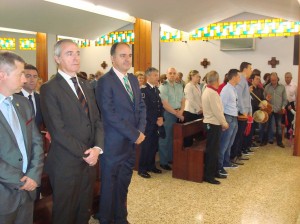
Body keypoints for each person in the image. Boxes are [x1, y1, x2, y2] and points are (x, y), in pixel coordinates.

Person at [40, 39, 104, 224]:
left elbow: (98, 120)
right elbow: (58, 130)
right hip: (66, 164)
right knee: (65, 213)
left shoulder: (86, 85)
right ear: (57, 58)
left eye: (77, 53)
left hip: (89, 162)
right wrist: (87, 153)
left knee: (84, 210)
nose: (76, 57)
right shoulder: (49, 89)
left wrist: (98, 148)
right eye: (69, 53)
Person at [95, 42, 146, 224]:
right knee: (109, 186)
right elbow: (109, 114)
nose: (127, 59)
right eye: (122, 55)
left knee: (123, 184)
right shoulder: (105, 82)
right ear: (112, 58)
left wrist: (140, 131)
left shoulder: (132, 79)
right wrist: (135, 134)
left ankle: (120, 218)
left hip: (130, 144)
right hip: (113, 144)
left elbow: (140, 106)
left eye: (129, 55)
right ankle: (106, 219)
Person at [0, 51, 44, 223]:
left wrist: (33, 175)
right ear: (2, 75)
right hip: (4, 192)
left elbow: (36, 141)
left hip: (28, 189)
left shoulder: (23, 103)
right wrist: (21, 180)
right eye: (21, 75)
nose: (25, 80)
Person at [202, 70, 228, 185]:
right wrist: (224, 123)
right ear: (216, 80)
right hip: (212, 123)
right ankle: (209, 176)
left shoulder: (211, 91)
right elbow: (217, 111)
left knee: (215, 149)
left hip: (214, 123)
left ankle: (214, 171)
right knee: (212, 151)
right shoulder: (211, 92)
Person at [138, 67, 164, 178]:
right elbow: (145, 110)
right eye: (155, 75)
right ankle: (142, 169)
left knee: (154, 145)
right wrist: (155, 120)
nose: (157, 77)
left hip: (156, 123)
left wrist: (161, 117)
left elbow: (160, 106)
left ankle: (151, 166)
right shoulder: (144, 90)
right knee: (146, 146)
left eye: (157, 75)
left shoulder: (155, 89)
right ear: (148, 77)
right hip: (148, 124)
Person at [159, 67, 185, 170]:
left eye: (174, 73)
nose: (172, 75)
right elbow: (165, 104)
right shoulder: (163, 87)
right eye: (170, 73)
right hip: (168, 114)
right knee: (165, 138)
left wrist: (181, 111)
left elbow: (183, 100)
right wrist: (177, 113)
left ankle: (170, 158)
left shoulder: (179, 86)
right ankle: (163, 161)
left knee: (173, 138)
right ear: (167, 74)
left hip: (178, 112)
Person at [218, 69, 240, 176]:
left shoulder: (233, 89)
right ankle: (219, 166)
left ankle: (226, 162)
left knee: (230, 143)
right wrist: (223, 122)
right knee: (224, 143)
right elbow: (221, 106)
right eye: (238, 76)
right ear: (234, 77)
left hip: (234, 118)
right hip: (228, 118)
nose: (239, 78)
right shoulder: (226, 90)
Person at [230, 62, 252, 164]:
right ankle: (234, 156)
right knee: (238, 136)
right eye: (250, 68)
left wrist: (249, 111)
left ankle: (238, 154)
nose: (251, 70)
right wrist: (243, 111)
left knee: (241, 135)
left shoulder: (244, 80)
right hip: (241, 112)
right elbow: (238, 96)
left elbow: (246, 97)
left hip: (245, 112)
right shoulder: (241, 79)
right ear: (245, 69)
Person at [262, 72, 287, 148]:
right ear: (270, 79)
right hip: (269, 109)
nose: (273, 81)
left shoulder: (282, 87)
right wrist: (266, 99)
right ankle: (264, 141)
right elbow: (263, 99)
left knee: (278, 126)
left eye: (275, 80)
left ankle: (279, 142)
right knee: (266, 125)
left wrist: (283, 107)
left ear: (277, 78)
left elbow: (285, 99)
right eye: (272, 80)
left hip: (278, 109)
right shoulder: (267, 87)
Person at [17, 64, 43, 129]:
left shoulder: (40, 98)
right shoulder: (14, 97)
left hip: (37, 138)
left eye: (35, 76)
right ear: (22, 77)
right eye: (28, 76)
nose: (32, 80)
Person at [183, 70, 202, 146]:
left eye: (199, 77)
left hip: (198, 112)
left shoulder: (198, 85)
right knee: (189, 134)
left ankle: (194, 151)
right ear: (192, 77)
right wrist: (198, 109)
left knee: (196, 132)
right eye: (197, 76)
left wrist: (201, 107)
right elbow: (191, 99)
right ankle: (187, 148)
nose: (198, 78)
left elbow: (200, 98)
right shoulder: (188, 86)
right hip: (190, 112)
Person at [283, 72, 297, 138]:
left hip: (292, 104)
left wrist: (295, 106)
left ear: (291, 78)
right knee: (285, 119)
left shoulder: (295, 85)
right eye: (286, 77)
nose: (287, 78)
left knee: (291, 119)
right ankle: (287, 133)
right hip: (284, 104)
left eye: (288, 77)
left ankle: (291, 134)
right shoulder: (283, 86)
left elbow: (297, 96)